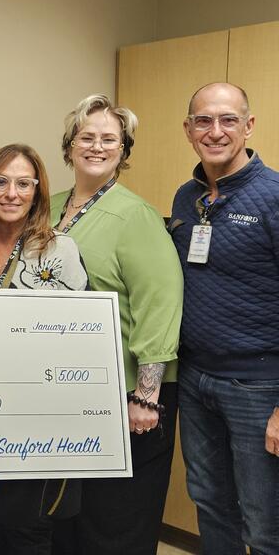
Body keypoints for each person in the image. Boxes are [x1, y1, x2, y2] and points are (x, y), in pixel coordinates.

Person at [50, 94, 183, 555]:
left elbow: (160, 305)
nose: (97, 146)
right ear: (69, 146)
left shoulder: (136, 216)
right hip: (65, 389)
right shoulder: (46, 208)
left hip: (129, 396)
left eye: (110, 139)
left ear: (124, 152)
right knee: (68, 519)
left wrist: (146, 396)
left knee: (115, 523)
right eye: (87, 136)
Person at [169, 82, 279, 554]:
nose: (215, 131)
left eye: (228, 119)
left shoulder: (274, 196)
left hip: (259, 386)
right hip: (195, 380)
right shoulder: (185, 198)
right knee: (211, 504)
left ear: (249, 125)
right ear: (189, 130)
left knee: (264, 522)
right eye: (203, 121)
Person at [0, 143, 87, 555]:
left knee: (24, 531)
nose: (10, 193)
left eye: (23, 183)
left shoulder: (57, 250)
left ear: (38, 191)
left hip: (33, 418)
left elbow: (71, 344)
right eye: (0, 181)